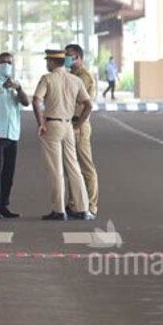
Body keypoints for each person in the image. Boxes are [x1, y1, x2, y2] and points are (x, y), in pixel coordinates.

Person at [32, 49, 93, 221]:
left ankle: (59, 210)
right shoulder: (75, 80)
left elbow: (36, 100)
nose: (46, 64)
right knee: (74, 167)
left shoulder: (47, 79)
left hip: (52, 125)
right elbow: (88, 105)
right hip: (68, 126)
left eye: (48, 61)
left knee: (56, 170)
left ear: (52, 62)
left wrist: (41, 123)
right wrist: (77, 125)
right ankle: (82, 208)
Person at [0, 52, 30, 219]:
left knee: (8, 172)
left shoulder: (15, 83)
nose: (6, 65)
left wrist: (18, 88)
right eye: (3, 62)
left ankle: (4, 204)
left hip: (12, 133)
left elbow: (25, 102)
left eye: (9, 62)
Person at [65, 44, 99, 216]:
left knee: (86, 166)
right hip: (70, 123)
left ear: (78, 57)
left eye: (69, 55)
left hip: (80, 123)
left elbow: (84, 104)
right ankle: (74, 204)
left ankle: (91, 205)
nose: (66, 58)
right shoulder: (71, 75)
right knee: (72, 165)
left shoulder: (84, 77)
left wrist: (77, 126)